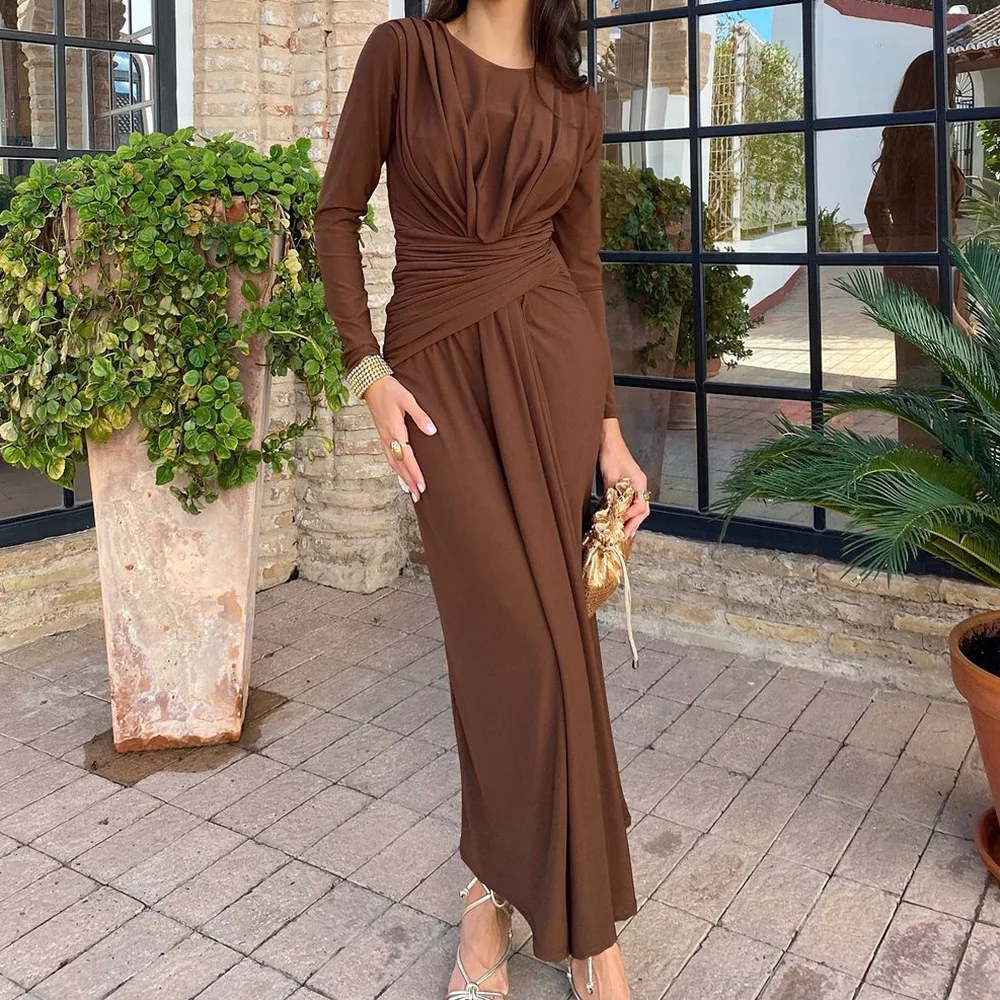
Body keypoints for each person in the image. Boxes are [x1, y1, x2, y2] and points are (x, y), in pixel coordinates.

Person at [314, 2, 649, 998]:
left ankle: (535, 919)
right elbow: (335, 215)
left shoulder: (574, 99)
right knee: (515, 645)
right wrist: (366, 370)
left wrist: (609, 430)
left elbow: (579, 270)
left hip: (552, 371)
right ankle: (561, 920)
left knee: (554, 645)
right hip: (436, 381)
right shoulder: (402, 55)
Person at [865, 50, 971, 447]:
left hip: (915, 274)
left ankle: (918, 462)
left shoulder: (903, 140)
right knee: (944, 384)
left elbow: (873, 209)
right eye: (951, 85)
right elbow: (933, 226)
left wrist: (897, 257)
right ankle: (938, 469)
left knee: (916, 381)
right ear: (938, 89)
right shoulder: (929, 144)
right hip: (937, 277)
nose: (955, 95)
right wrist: (950, 309)